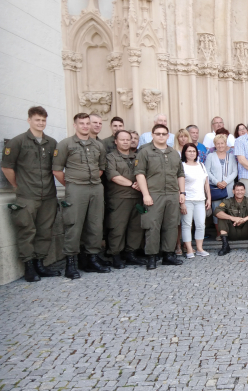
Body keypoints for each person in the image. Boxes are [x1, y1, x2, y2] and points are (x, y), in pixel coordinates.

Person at [2, 106, 60, 281]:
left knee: (45, 231)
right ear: (29, 120)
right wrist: (17, 185)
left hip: (48, 195)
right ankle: (29, 267)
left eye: (43, 120)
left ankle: (39, 264)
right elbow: (7, 167)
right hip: (27, 195)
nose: (41, 123)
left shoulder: (51, 143)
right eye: (37, 120)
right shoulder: (17, 142)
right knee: (27, 231)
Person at [52, 113, 109, 278]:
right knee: (74, 225)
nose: (85, 126)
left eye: (87, 123)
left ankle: (92, 259)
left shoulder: (98, 145)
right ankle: (71, 263)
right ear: (75, 125)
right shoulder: (65, 144)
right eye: (81, 123)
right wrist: (71, 185)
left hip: (96, 188)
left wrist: (91, 181)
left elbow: (101, 168)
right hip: (76, 189)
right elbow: (57, 170)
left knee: (95, 224)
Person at [134, 123, 185, 270]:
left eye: (164, 134)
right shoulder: (145, 151)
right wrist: (145, 195)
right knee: (152, 225)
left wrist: (181, 193)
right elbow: (140, 174)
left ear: (168, 136)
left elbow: (180, 175)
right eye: (158, 134)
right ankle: (152, 256)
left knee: (171, 225)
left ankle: (168, 255)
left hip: (172, 193)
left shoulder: (174, 153)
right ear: (153, 135)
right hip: (154, 194)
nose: (161, 136)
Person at [104, 130, 148, 269]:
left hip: (137, 198)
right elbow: (113, 176)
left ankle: (131, 254)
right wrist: (133, 184)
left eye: (128, 139)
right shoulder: (110, 157)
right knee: (117, 227)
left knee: (135, 228)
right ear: (116, 141)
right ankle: (115, 255)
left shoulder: (137, 157)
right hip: (119, 198)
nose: (125, 142)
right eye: (122, 139)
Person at [215, 181, 248, 256]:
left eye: (241, 190)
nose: (239, 192)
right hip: (232, 232)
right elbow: (217, 212)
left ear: (244, 191)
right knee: (222, 216)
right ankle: (225, 246)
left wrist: (245, 219)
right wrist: (232, 218)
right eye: (237, 190)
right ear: (233, 191)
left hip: (246, 232)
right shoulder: (227, 201)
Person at [179, 144, 210, 258]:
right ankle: (189, 249)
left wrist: (209, 198)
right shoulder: (182, 166)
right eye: (189, 151)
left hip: (200, 199)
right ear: (184, 153)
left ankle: (199, 248)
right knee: (187, 224)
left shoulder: (201, 165)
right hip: (187, 200)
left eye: (194, 151)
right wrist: (182, 202)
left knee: (201, 224)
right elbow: (178, 185)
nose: (192, 153)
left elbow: (206, 184)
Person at [206, 133, 238, 239]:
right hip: (216, 188)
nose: (220, 145)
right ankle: (219, 233)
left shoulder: (231, 156)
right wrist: (217, 182)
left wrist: (225, 182)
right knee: (217, 210)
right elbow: (207, 172)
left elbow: (235, 172)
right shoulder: (210, 156)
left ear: (225, 144)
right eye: (218, 143)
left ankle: (229, 232)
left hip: (228, 187)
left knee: (229, 209)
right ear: (215, 145)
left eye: (222, 143)